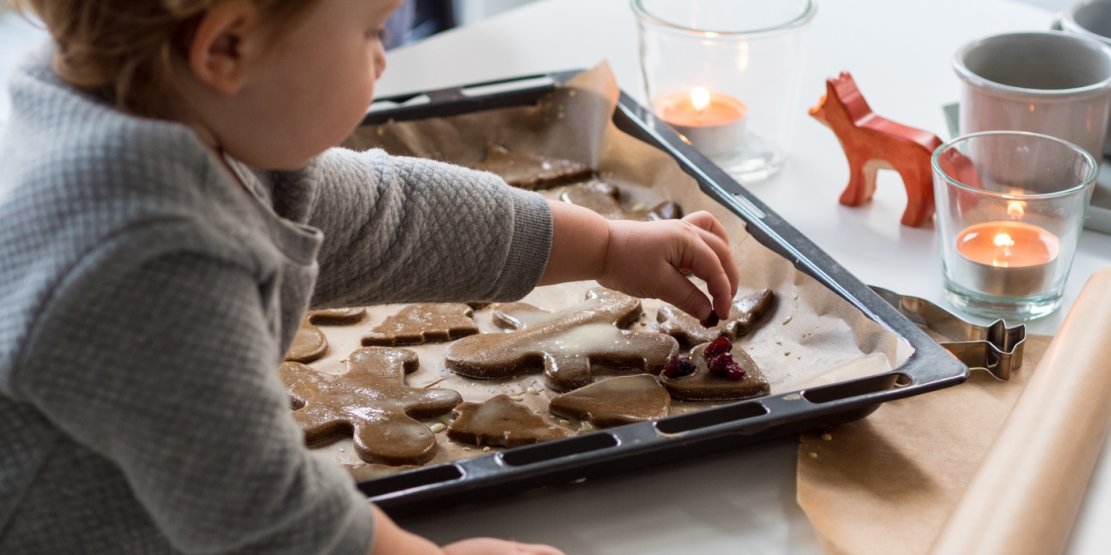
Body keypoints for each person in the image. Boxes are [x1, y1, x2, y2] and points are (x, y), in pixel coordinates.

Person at [0, 0, 740, 553]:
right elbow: (264, 517)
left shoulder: (172, 107)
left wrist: (607, 245)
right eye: (372, 31)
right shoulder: (145, 259)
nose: (383, 58)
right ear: (227, 44)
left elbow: (395, 215)